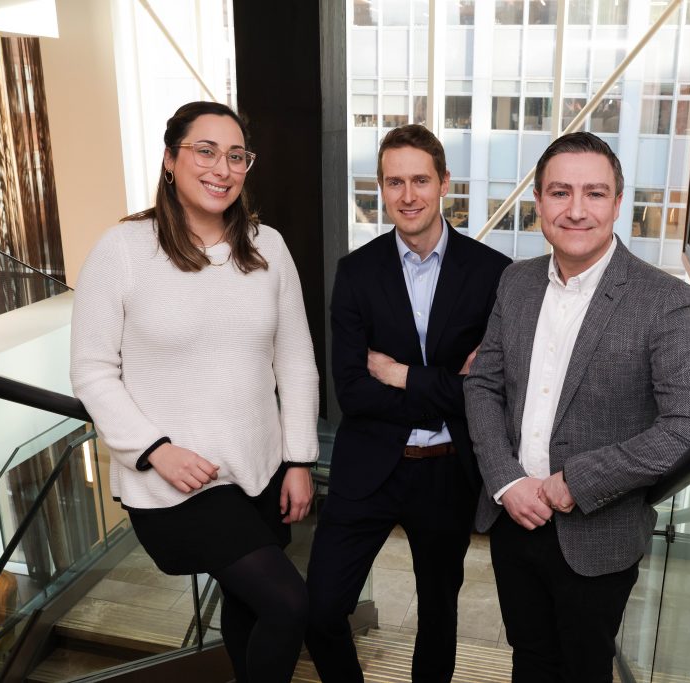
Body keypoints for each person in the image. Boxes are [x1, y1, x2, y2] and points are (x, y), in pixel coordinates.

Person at [70, 101, 318, 683]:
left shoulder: (268, 246)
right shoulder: (123, 249)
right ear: (169, 160)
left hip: (258, 470)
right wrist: (155, 449)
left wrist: (300, 459)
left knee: (249, 604)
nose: (222, 168)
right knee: (289, 605)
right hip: (177, 480)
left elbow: (297, 360)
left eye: (236, 156)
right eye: (204, 151)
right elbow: (92, 370)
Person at [464, 132, 690, 682]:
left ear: (618, 204)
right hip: (514, 519)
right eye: (561, 192)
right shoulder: (516, 282)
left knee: (583, 671)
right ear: (539, 202)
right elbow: (483, 386)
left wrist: (576, 481)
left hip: (596, 534)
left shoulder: (663, 299)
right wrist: (507, 480)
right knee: (529, 661)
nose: (576, 210)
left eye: (595, 194)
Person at [305, 125, 511, 682]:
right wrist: (446, 389)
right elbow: (350, 391)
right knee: (320, 609)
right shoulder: (355, 273)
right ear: (380, 187)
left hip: (447, 474)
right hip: (367, 467)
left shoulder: (493, 274)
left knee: (439, 617)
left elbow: (490, 391)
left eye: (421, 179)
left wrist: (400, 376)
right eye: (394, 182)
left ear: (445, 183)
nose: (408, 195)